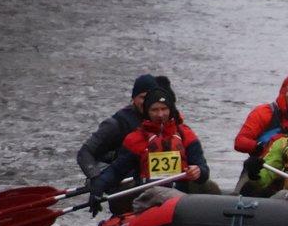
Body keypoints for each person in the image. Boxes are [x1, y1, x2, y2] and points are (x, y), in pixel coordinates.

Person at [105, 87, 216, 210]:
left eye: (164, 109)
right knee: (158, 192)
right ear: (147, 112)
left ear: (171, 110)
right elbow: (116, 171)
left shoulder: (186, 135)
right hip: (149, 195)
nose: (160, 114)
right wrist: (97, 188)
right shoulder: (135, 139)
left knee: (211, 187)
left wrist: (198, 171)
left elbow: (203, 170)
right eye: (154, 110)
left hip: (181, 194)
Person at [76, 74, 169, 205]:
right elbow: (84, 153)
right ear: (134, 98)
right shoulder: (116, 124)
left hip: (148, 175)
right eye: (143, 97)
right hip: (120, 175)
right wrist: (96, 179)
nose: (147, 101)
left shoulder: (164, 120)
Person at [232, 74, 288, 192]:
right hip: (260, 167)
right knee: (242, 192)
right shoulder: (264, 113)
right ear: (283, 93)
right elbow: (240, 142)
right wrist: (260, 147)